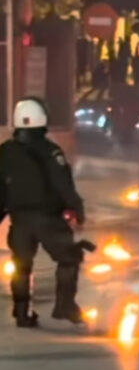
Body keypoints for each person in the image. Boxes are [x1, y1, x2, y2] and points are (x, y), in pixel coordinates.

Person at [0, 98, 91, 327]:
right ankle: (64, 306)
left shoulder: (5, 152)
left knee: (21, 264)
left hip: (19, 220)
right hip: (49, 219)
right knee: (68, 258)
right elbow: (63, 185)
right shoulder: (51, 152)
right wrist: (77, 210)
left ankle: (21, 313)